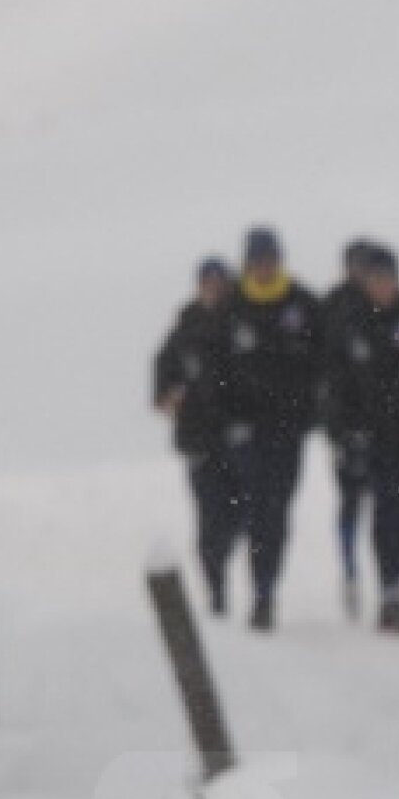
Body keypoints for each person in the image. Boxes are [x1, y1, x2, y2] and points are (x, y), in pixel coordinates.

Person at [319, 245, 399, 633]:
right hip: (371, 439)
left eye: (389, 279)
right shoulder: (349, 323)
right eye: (376, 279)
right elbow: (333, 384)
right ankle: (390, 588)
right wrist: (343, 433)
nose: (383, 286)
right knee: (385, 514)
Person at [216, 226, 321, 630]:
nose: (263, 267)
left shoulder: (303, 304)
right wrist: (228, 417)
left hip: (288, 432)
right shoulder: (231, 307)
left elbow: (320, 364)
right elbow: (216, 369)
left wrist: (310, 412)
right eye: (257, 260)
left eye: (269, 259)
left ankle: (266, 588)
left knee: (275, 511)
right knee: (252, 511)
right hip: (244, 434)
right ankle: (252, 587)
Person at [152, 258, 237, 613]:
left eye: (219, 281)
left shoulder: (242, 322)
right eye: (207, 281)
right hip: (199, 439)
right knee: (209, 518)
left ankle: (221, 573)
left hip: (238, 438)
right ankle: (215, 587)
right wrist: (170, 397)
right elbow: (162, 382)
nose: (213, 287)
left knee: (239, 515)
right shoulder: (184, 330)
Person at [320, 238, 383, 615]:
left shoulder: (389, 308)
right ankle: (350, 571)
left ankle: (383, 576)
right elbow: (322, 370)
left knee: (388, 507)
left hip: (386, 428)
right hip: (345, 426)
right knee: (350, 501)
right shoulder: (332, 307)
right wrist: (333, 423)